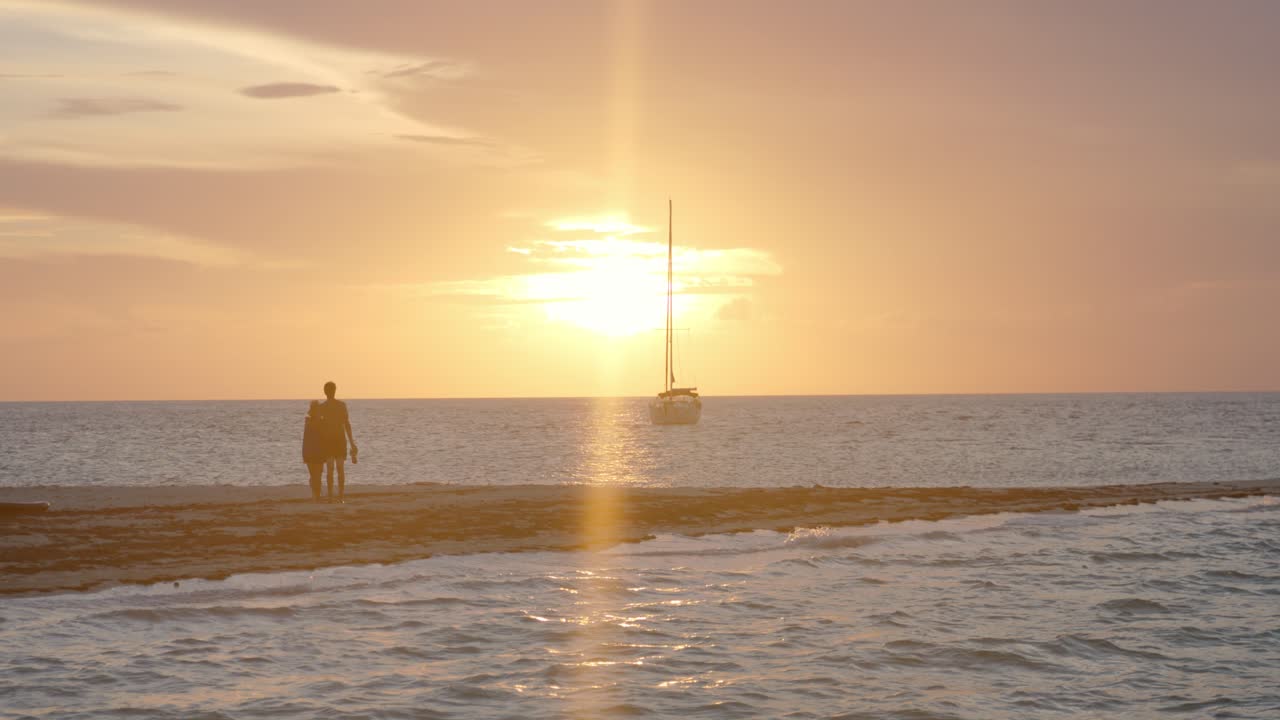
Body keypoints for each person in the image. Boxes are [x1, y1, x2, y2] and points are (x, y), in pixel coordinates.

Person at [320, 381, 357, 503]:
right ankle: (336, 496)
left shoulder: (332, 406)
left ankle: (336, 496)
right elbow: (346, 425)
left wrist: (352, 443)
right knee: (335, 469)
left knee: (335, 469)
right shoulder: (328, 407)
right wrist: (352, 443)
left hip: (336, 441)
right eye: (331, 390)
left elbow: (346, 424)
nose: (331, 392)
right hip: (332, 442)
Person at [301, 400, 327, 501]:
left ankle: (316, 495)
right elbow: (307, 438)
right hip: (312, 451)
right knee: (315, 475)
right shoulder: (310, 422)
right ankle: (316, 494)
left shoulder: (312, 421)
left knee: (317, 475)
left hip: (316, 451)